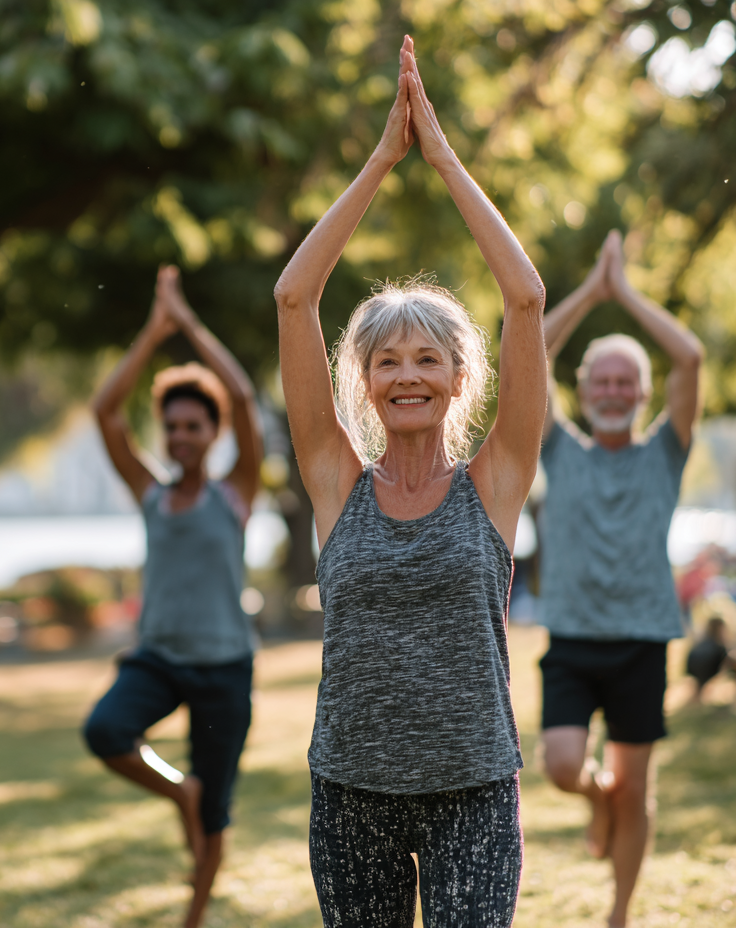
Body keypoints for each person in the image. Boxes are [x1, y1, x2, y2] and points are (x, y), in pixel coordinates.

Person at [274, 37, 546, 926]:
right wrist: (381, 161)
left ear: (459, 378)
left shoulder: (495, 482)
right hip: (352, 789)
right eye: (386, 360)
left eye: (427, 357)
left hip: (474, 787)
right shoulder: (333, 482)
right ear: (365, 381)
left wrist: (440, 154)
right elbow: (292, 299)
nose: (407, 375)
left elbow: (527, 301)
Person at [83, 264, 263, 928]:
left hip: (224, 666)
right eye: (173, 427)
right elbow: (104, 411)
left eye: (195, 426)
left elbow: (243, 400)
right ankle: (176, 789)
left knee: (216, 812)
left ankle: (194, 914)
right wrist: (152, 334)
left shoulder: (236, 491)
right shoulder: (151, 494)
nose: (182, 436)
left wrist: (190, 327)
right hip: (157, 658)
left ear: (212, 435)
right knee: (105, 730)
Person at [537, 229, 703, 928]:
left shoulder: (666, 449)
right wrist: (591, 292)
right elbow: (530, 346)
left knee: (636, 789)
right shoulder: (557, 448)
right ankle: (595, 798)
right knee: (561, 765)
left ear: (640, 392)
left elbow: (689, 355)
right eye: (599, 380)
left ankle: (620, 912)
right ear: (581, 390)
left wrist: (627, 294)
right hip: (573, 637)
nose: (612, 390)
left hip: (641, 639)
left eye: (623, 381)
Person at [685, 616, 731, 702]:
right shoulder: (717, 644)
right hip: (705, 667)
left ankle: (698, 697)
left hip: (692, 667)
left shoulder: (702, 640)